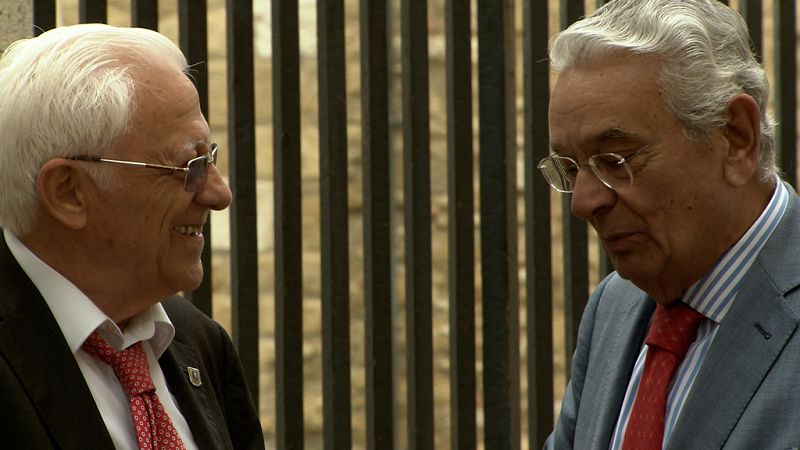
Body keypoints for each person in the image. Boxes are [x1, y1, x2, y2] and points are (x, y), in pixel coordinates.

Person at [540, 0, 800, 448]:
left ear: (735, 137)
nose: (583, 202)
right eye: (571, 167)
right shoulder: (614, 307)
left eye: (616, 160)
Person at [0, 24, 264, 449]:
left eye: (210, 158)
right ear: (69, 192)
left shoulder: (198, 341)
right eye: (190, 167)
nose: (219, 194)